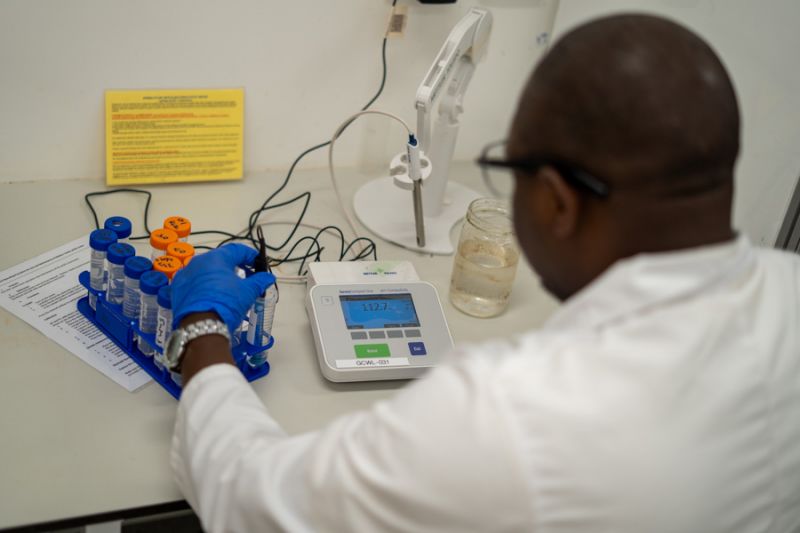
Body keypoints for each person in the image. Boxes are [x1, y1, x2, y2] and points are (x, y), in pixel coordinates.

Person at [168, 14, 800, 533]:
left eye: (508, 168)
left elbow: (249, 498)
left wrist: (199, 328)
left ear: (556, 201)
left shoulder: (509, 418)